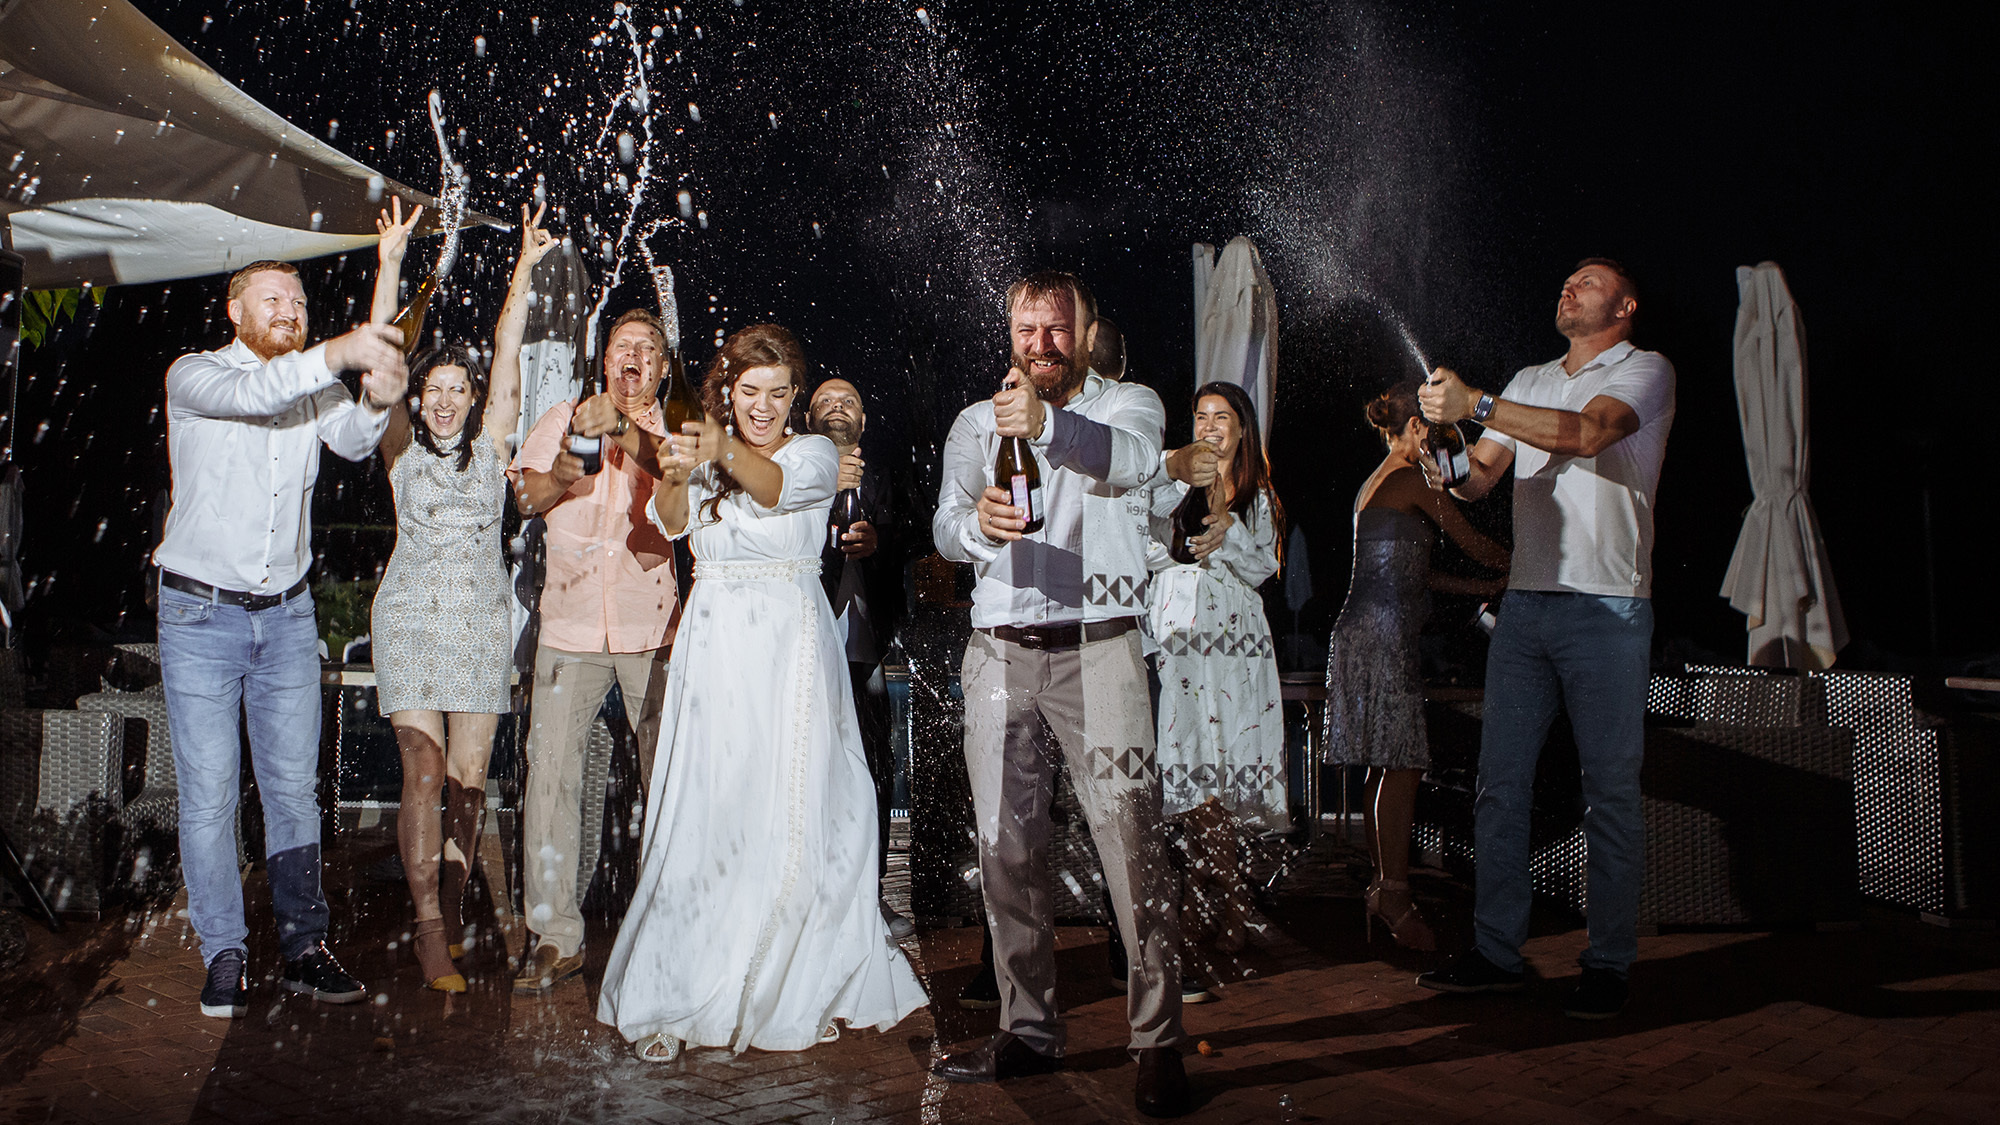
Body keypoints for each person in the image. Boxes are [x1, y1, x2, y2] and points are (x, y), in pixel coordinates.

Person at [598, 324, 927, 1059]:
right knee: (708, 808)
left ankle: (793, 975)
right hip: (714, 642)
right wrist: (680, 461)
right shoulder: (706, 449)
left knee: (792, 803)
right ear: (728, 390)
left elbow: (774, 488)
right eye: (751, 392)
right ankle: (675, 988)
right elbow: (673, 524)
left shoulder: (815, 452)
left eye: (780, 393)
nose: (766, 406)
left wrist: (716, 447)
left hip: (788, 644)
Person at [931, 270, 1191, 1118]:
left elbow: (1133, 462)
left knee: (1131, 846)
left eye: (1056, 329)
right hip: (999, 651)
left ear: (1083, 332)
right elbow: (947, 523)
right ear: (1008, 331)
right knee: (1008, 852)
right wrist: (979, 528)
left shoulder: (1128, 404)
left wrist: (1048, 427)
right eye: (1025, 328)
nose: (1040, 343)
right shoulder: (976, 421)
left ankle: (1157, 1041)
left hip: (1101, 648)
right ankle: (1030, 1029)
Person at [1414, 258, 1675, 1021]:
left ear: (1625, 303)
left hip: (1608, 608)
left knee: (1610, 793)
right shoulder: (1529, 377)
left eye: (1589, 281)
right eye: (1564, 278)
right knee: (1500, 787)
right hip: (1525, 606)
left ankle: (1609, 962)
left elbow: (1590, 434)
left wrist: (1480, 402)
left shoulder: (1646, 370)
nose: (1569, 285)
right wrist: (1441, 450)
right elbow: (1479, 479)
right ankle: (1497, 950)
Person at [155, 256, 408, 1018]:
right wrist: (341, 350)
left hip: (288, 617)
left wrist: (378, 398)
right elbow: (259, 391)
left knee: (295, 791)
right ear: (235, 311)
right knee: (208, 797)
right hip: (199, 615)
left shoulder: (313, 385)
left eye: (298, 301)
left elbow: (357, 444)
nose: (291, 310)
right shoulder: (195, 375)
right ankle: (225, 951)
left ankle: (303, 946)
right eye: (274, 299)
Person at [369, 201, 554, 991]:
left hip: (480, 620)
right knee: (422, 765)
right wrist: (389, 265)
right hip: (410, 614)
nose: (443, 398)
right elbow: (379, 360)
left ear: (473, 396)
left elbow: (509, 349)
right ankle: (429, 929)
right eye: (432, 387)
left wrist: (522, 265)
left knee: (469, 779)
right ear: (417, 398)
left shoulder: (493, 447)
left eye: (456, 387)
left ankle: (452, 895)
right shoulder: (400, 448)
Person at [507, 307, 676, 993]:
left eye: (647, 348)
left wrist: (627, 433)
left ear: (663, 366)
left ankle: (665, 933)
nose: (632, 356)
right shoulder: (563, 413)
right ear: (603, 360)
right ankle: (555, 937)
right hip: (567, 629)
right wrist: (575, 449)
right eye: (620, 346)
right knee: (549, 778)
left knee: (664, 781)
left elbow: (679, 487)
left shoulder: (676, 424)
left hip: (653, 628)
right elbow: (526, 495)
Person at [1322, 381, 1509, 952]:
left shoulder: (1373, 484)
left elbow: (1415, 575)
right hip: (1380, 637)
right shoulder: (1411, 480)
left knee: (1388, 765)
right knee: (1401, 764)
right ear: (1417, 429)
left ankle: (1385, 888)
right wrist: (1528, 564)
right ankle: (1395, 894)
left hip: (1365, 632)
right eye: (1435, 430)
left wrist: (1486, 586)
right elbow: (1471, 540)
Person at [1146, 381, 1287, 831]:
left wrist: (1230, 530)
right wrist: (1183, 547)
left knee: (1230, 738)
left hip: (1234, 639)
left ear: (1242, 429)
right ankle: (1202, 877)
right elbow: (1144, 547)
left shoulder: (1256, 496)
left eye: (1221, 417)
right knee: (1185, 739)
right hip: (1180, 636)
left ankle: (1228, 882)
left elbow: (1263, 566)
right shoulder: (1170, 490)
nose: (1209, 427)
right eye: (1202, 417)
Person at [809, 376, 914, 939]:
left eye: (848, 400)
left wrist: (882, 542)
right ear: (807, 417)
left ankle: (870, 900)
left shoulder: (884, 479)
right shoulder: (793, 474)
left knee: (869, 771)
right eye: (825, 400)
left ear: (864, 420)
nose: (837, 408)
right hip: (806, 645)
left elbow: (915, 537)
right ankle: (813, 899)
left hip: (865, 651)